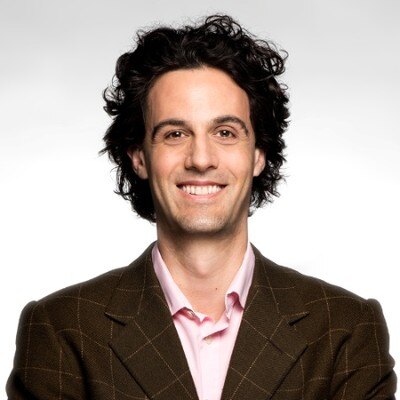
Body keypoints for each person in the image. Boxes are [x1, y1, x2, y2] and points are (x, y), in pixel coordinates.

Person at [7, 14, 396, 400]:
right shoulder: (63, 329)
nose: (201, 159)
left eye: (225, 132)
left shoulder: (344, 328)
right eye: (175, 134)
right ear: (139, 157)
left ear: (258, 155)